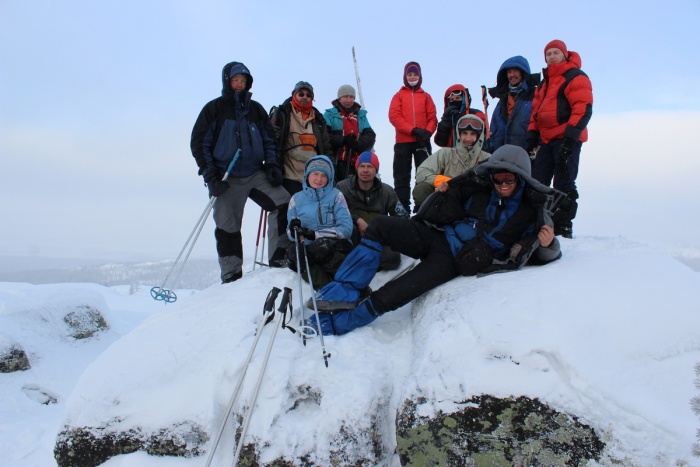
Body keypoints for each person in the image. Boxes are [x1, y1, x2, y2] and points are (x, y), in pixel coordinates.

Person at [308, 144, 563, 336]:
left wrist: (548, 244)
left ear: (521, 179)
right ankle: (344, 290)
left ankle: (346, 321)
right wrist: (443, 195)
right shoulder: (478, 189)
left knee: (396, 292)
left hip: (453, 260)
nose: (503, 183)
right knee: (380, 226)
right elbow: (442, 212)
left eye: (510, 178)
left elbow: (542, 251)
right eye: (499, 177)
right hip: (438, 236)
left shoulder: (530, 212)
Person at [190, 61, 290, 283]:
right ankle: (231, 274)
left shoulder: (255, 109)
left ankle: (279, 258)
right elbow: (199, 143)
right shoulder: (213, 109)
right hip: (226, 177)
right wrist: (210, 174)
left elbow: (269, 140)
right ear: (227, 81)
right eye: (235, 80)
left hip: (255, 173)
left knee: (284, 202)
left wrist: (272, 165)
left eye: (243, 81)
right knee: (228, 224)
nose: (239, 84)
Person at [526, 40, 593, 238]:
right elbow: (535, 113)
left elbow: (583, 107)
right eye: (549, 54)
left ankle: (563, 225)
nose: (552, 56)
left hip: (566, 138)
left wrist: (570, 139)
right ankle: (539, 224)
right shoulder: (543, 84)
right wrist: (532, 136)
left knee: (564, 182)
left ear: (565, 54)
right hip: (546, 140)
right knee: (538, 182)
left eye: (556, 53)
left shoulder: (575, 76)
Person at [286, 155, 354, 290]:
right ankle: (327, 290)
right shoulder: (296, 199)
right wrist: (294, 230)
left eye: (324, 175)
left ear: (329, 178)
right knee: (295, 253)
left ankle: (348, 285)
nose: (319, 179)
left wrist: (315, 234)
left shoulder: (336, 196)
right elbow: (289, 232)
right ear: (307, 176)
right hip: (308, 246)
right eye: (315, 174)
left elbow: (346, 229)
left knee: (321, 247)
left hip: (335, 244)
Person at [336, 151, 408, 271]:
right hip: (352, 236)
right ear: (357, 168)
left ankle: (364, 261)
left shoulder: (387, 191)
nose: (365, 170)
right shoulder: (342, 187)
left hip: (378, 238)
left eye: (370, 166)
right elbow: (336, 212)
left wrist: (387, 229)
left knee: (392, 259)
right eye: (362, 166)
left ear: (376, 170)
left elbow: (402, 216)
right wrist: (357, 220)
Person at [388, 61, 438, 213]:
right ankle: (402, 209)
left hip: (422, 141)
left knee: (423, 175)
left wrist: (427, 132)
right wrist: (413, 130)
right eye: (409, 74)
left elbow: (433, 117)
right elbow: (394, 117)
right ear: (405, 76)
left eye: (415, 74)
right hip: (403, 142)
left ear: (420, 76)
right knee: (401, 176)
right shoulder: (398, 96)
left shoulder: (426, 97)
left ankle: (422, 205)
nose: (412, 77)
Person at [413, 114, 491, 209]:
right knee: (421, 189)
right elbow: (421, 173)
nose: (468, 138)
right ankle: (426, 220)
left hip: (475, 202)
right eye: (464, 133)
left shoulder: (488, 158)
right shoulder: (445, 153)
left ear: (479, 136)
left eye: (473, 134)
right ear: (459, 134)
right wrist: (447, 183)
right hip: (447, 200)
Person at [271, 81, 333, 196]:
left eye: (308, 95)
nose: (305, 97)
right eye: (301, 94)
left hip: (313, 178)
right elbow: (272, 142)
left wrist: (329, 172)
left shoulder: (318, 120)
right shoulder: (282, 114)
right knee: (287, 210)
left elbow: (326, 148)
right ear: (294, 94)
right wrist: (272, 167)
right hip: (289, 176)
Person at [483, 56, 540, 154]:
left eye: (515, 71)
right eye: (509, 72)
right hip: (501, 155)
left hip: (526, 155)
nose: (512, 75)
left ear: (523, 72)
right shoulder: (502, 101)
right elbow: (493, 130)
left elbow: (540, 123)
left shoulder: (534, 95)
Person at [324, 84, 376, 182]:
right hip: (336, 162)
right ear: (339, 99)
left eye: (351, 97)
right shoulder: (329, 115)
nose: (349, 100)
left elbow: (370, 135)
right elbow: (325, 136)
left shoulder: (361, 116)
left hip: (358, 163)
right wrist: (343, 140)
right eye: (345, 97)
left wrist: (358, 144)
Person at [434, 84, 488, 148]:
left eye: (458, 98)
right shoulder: (449, 118)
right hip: (453, 154)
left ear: (464, 99)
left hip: (473, 153)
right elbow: (440, 142)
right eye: (451, 100)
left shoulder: (476, 114)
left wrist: (462, 121)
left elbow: (484, 132)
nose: (455, 101)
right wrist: (444, 122)